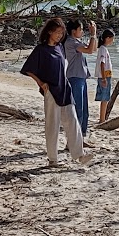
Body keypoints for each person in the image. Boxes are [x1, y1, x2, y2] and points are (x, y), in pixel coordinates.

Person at [21, 18, 94, 167]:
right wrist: (40, 83)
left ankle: (80, 155)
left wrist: (93, 34)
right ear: (49, 32)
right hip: (51, 92)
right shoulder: (41, 50)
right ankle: (52, 159)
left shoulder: (60, 47)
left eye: (62, 33)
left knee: (73, 122)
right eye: (58, 32)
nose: (60, 35)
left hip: (66, 89)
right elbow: (28, 69)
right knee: (52, 126)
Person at [61, 19, 97, 136]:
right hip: (75, 78)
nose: (82, 31)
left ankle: (81, 136)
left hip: (81, 77)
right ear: (73, 31)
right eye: (80, 29)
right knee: (78, 110)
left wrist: (94, 36)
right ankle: (74, 139)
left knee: (84, 110)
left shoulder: (76, 41)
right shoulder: (71, 42)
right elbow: (90, 50)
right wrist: (92, 34)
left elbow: (94, 48)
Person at [95, 28, 117, 123]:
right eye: (112, 39)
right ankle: (102, 119)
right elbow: (102, 63)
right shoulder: (103, 49)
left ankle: (102, 117)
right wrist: (104, 78)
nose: (112, 41)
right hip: (105, 76)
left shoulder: (103, 49)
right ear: (107, 38)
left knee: (105, 98)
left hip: (105, 75)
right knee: (104, 98)